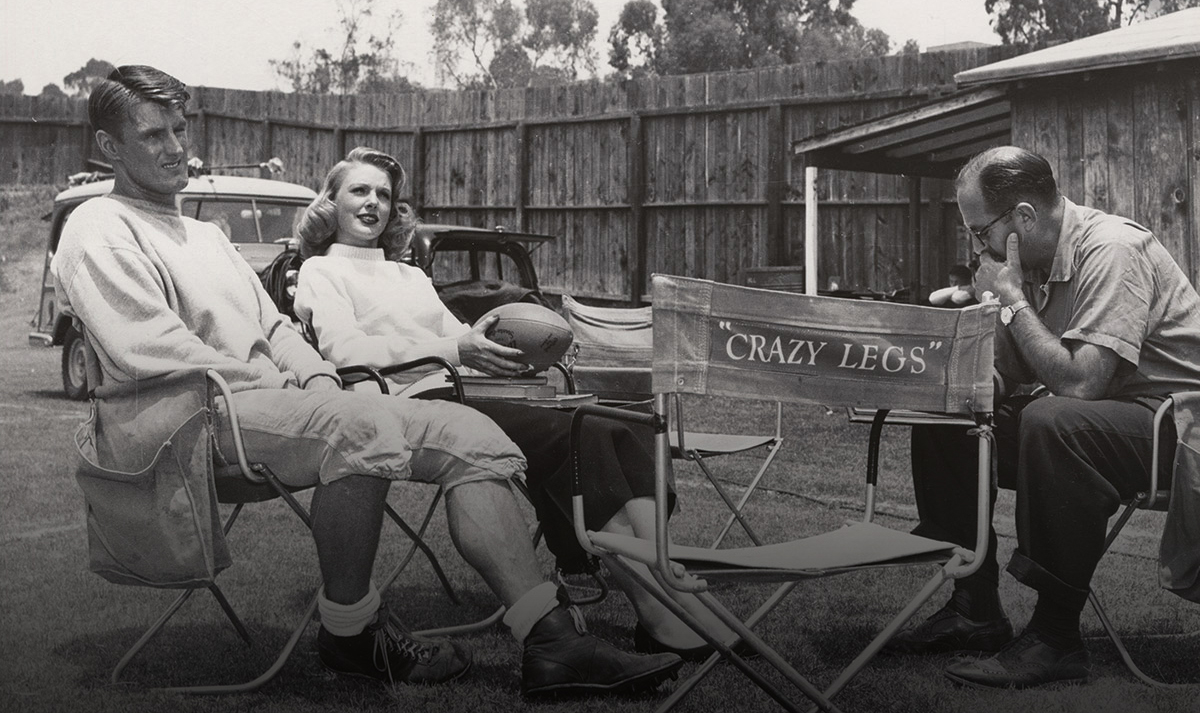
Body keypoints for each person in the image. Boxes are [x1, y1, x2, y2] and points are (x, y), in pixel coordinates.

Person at [51, 65, 682, 699]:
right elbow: (152, 349)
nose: (174, 147)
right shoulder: (97, 227)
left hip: (261, 408)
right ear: (109, 148)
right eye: (153, 135)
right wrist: (284, 387)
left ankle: (551, 641)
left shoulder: (205, 235)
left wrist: (318, 377)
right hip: (186, 420)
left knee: (472, 434)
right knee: (365, 421)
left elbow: (275, 326)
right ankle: (350, 631)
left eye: (179, 130)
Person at [291, 146, 744, 661]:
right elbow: (348, 354)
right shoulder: (320, 272)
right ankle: (659, 609)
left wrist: (506, 352)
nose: (373, 203)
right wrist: (453, 350)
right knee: (573, 434)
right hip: (402, 402)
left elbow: (461, 336)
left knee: (615, 424)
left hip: (464, 390)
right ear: (331, 201)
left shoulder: (410, 276)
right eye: (359, 190)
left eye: (384, 195)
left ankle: (664, 581)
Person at [885, 146, 1200, 688]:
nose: (975, 246)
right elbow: (1014, 368)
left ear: (1023, 219)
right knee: (949, 418)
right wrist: (956, 380)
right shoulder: (1030, 262)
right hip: (1115, 416)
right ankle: (974, 608)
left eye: (979, 231)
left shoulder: (1113, 249)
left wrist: (1011, 300)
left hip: (1175, 425)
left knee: (1054, 420)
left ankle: (1055, 638)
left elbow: (1080, 382)